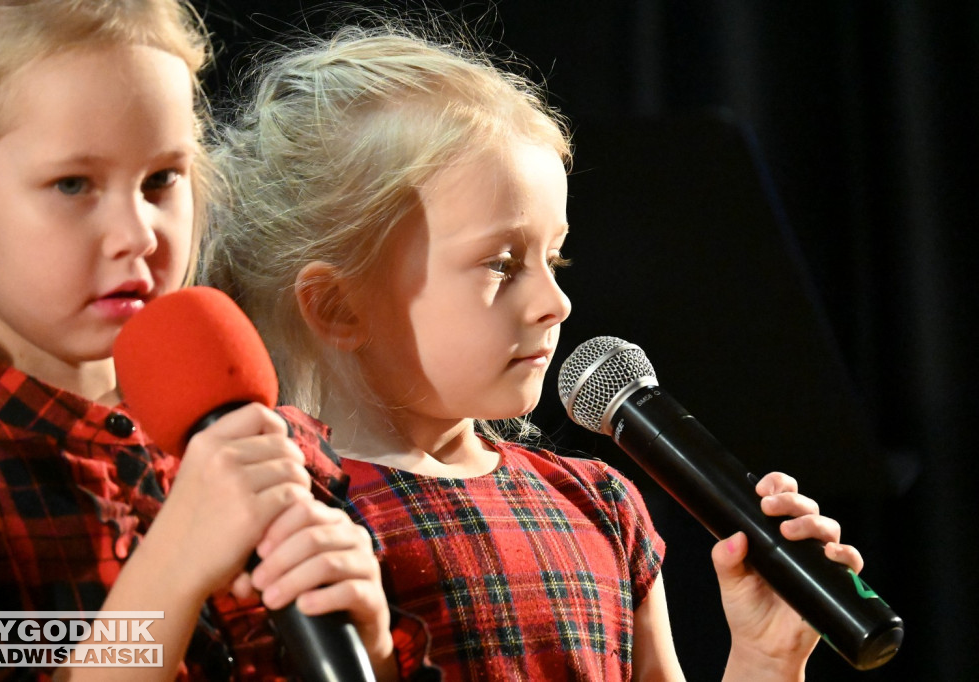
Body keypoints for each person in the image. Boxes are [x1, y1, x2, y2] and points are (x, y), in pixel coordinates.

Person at [202, 21, 866, 682]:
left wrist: (765, 658)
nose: (558, 302)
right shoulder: (283, 526)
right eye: (501, 264)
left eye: (555, 257)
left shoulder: (602, 505)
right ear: (340, 306)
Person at [0, 2, 411, 679]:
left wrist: (371, 648)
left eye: (161, 180)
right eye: (73, 184)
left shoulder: (274, 447)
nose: (138, 234)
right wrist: (169, 572)